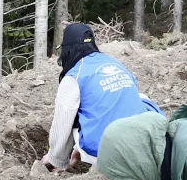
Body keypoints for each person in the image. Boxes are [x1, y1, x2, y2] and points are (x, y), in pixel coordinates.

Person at [43, 23, 162, 171]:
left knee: (72, 116)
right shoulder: (115, 63)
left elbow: (63, 122)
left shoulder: (74, 76)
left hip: (109, 153)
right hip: (145, 144)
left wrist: (56, 159)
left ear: (67, 49)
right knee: (139, 97)